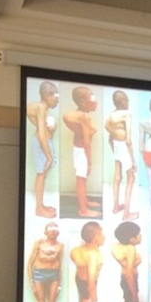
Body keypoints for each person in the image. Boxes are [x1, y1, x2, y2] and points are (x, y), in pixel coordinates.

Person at [62, 86, 101, 217]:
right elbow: (86, 143)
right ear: (83, 102)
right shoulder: (84, 117)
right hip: (82, 151)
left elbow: (67, 117)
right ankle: (83, 210)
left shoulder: (80, 115)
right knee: (81, 179)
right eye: (92, 99)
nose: (96, 102)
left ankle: (85, 201)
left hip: (79, 150)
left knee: (82, 178)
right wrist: (89, 162)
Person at [26, 221, 64, 302]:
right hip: (39, 274)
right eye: (50, 230)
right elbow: (29, 264)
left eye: (55, 230)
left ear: (58, 232)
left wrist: (60, 284)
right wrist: (31, 283)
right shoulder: (38, 243)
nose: (53, 232)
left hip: (54, 275)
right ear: (45, 232)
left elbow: (60, 265)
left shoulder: (60, 245)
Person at [27, 81, 60, 218]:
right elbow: (41, 135)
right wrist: (49, 157)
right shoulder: (41, 107)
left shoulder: (42, 109)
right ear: (47, 96)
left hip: (46, 143)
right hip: (42, 144)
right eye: (55, 96)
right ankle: (39, 209)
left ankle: (41, 205)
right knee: (41, 175)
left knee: (43, 175)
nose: (57, 100)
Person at [69, 221, 105, 302]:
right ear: (95, 238)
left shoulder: (76, 250)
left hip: (79, 279)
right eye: (101, 234)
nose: (103, 236)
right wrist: (94, 298)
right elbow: (91, 280)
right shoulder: (94, 256)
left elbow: (75, 259)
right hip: (88, 284)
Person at [105, 90, 138, 220]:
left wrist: (114, 149)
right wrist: (133, 160)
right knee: (131, 178)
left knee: (117, 176)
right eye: (127, 100)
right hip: (123, 145)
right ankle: (126, 214)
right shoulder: (127, 114)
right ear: (123, 101)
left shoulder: (111, 115)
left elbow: (109, 136)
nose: (128, 103)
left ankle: (116, 207)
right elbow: (128, 140)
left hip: (115, 144)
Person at [111, 221, 142, 302]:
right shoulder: (130, 249)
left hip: (124, 279)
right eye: (138, 234)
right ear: (131, 239)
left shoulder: (116, 246)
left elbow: (124, 264)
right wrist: (134, 294)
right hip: (130, 279)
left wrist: (134, 263)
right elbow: (129, 273)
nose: (140, 236)